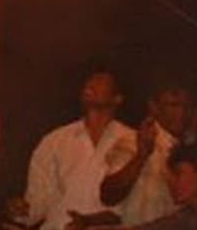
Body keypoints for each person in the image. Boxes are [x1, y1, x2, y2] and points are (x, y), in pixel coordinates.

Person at [15, 70, 137, 230]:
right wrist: (21, 210)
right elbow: (37, 205)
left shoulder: (133, 141)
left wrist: (88, 221)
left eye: (99, 80)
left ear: (117, 98)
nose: (90, 84)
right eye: (88, 80)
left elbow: (131, 211)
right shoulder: (55, 141)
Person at [102, 82, 192, 225]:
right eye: (173, 105)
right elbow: (108, 195)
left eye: (187, 106)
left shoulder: (194, 149)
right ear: (154, 107)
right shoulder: (132, 142)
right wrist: (141, 156)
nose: (182, 113)